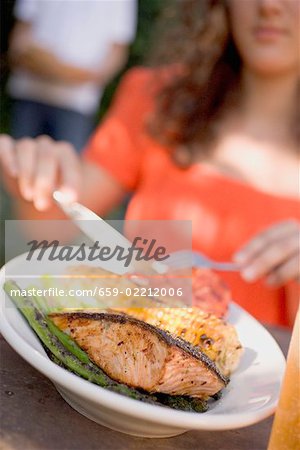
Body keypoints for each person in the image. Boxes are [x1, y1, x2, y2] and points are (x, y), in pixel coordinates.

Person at [0, 0, 299, 327]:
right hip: (125, 347)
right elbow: (50, 227)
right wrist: (35, 180)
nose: (270, 5)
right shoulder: (157, 98)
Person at [7, 0, 137, 151]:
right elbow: (21, 34)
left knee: (67, 167)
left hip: (76, 103)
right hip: (30, 93)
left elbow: (118, 49)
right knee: (18, 164)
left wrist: (82, 76)